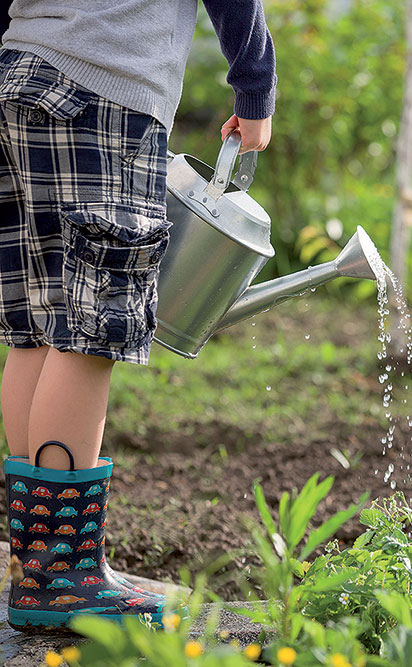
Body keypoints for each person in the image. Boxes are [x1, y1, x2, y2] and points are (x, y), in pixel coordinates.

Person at [0, 0, 276, 629]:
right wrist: (255, 90)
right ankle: (62, 579)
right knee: (90, 333)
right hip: (104, 88)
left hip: (16, 77)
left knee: (36, 327)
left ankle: (44, 566)